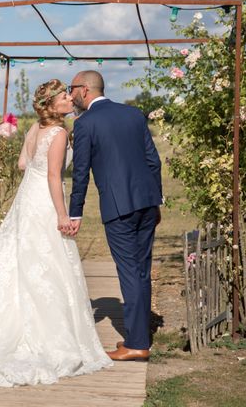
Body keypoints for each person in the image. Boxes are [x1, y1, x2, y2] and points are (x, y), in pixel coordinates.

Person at [0, 79, 113, 387]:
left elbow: (22, 164)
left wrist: (38, 168)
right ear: (51, 105)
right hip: (45, 202)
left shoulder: (34, 130)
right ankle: (45, 337)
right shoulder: (58, 134)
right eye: (63, 98)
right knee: (46, 265)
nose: (70, 100)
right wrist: (62, 214)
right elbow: (54, 177)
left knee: (18, 260)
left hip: (26, 199)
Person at [66, 70, 162, 362]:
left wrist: (75, 213)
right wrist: (156, 201)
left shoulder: (85, 124)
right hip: (147, 203)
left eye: (72, 90)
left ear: (84, 90)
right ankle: (139, 335)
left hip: (119, 209)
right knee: (141, 269)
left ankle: (136, 343)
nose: (70, 96)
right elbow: (153, 161)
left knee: (129, 271)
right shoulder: (134, 115)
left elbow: (80, 173)